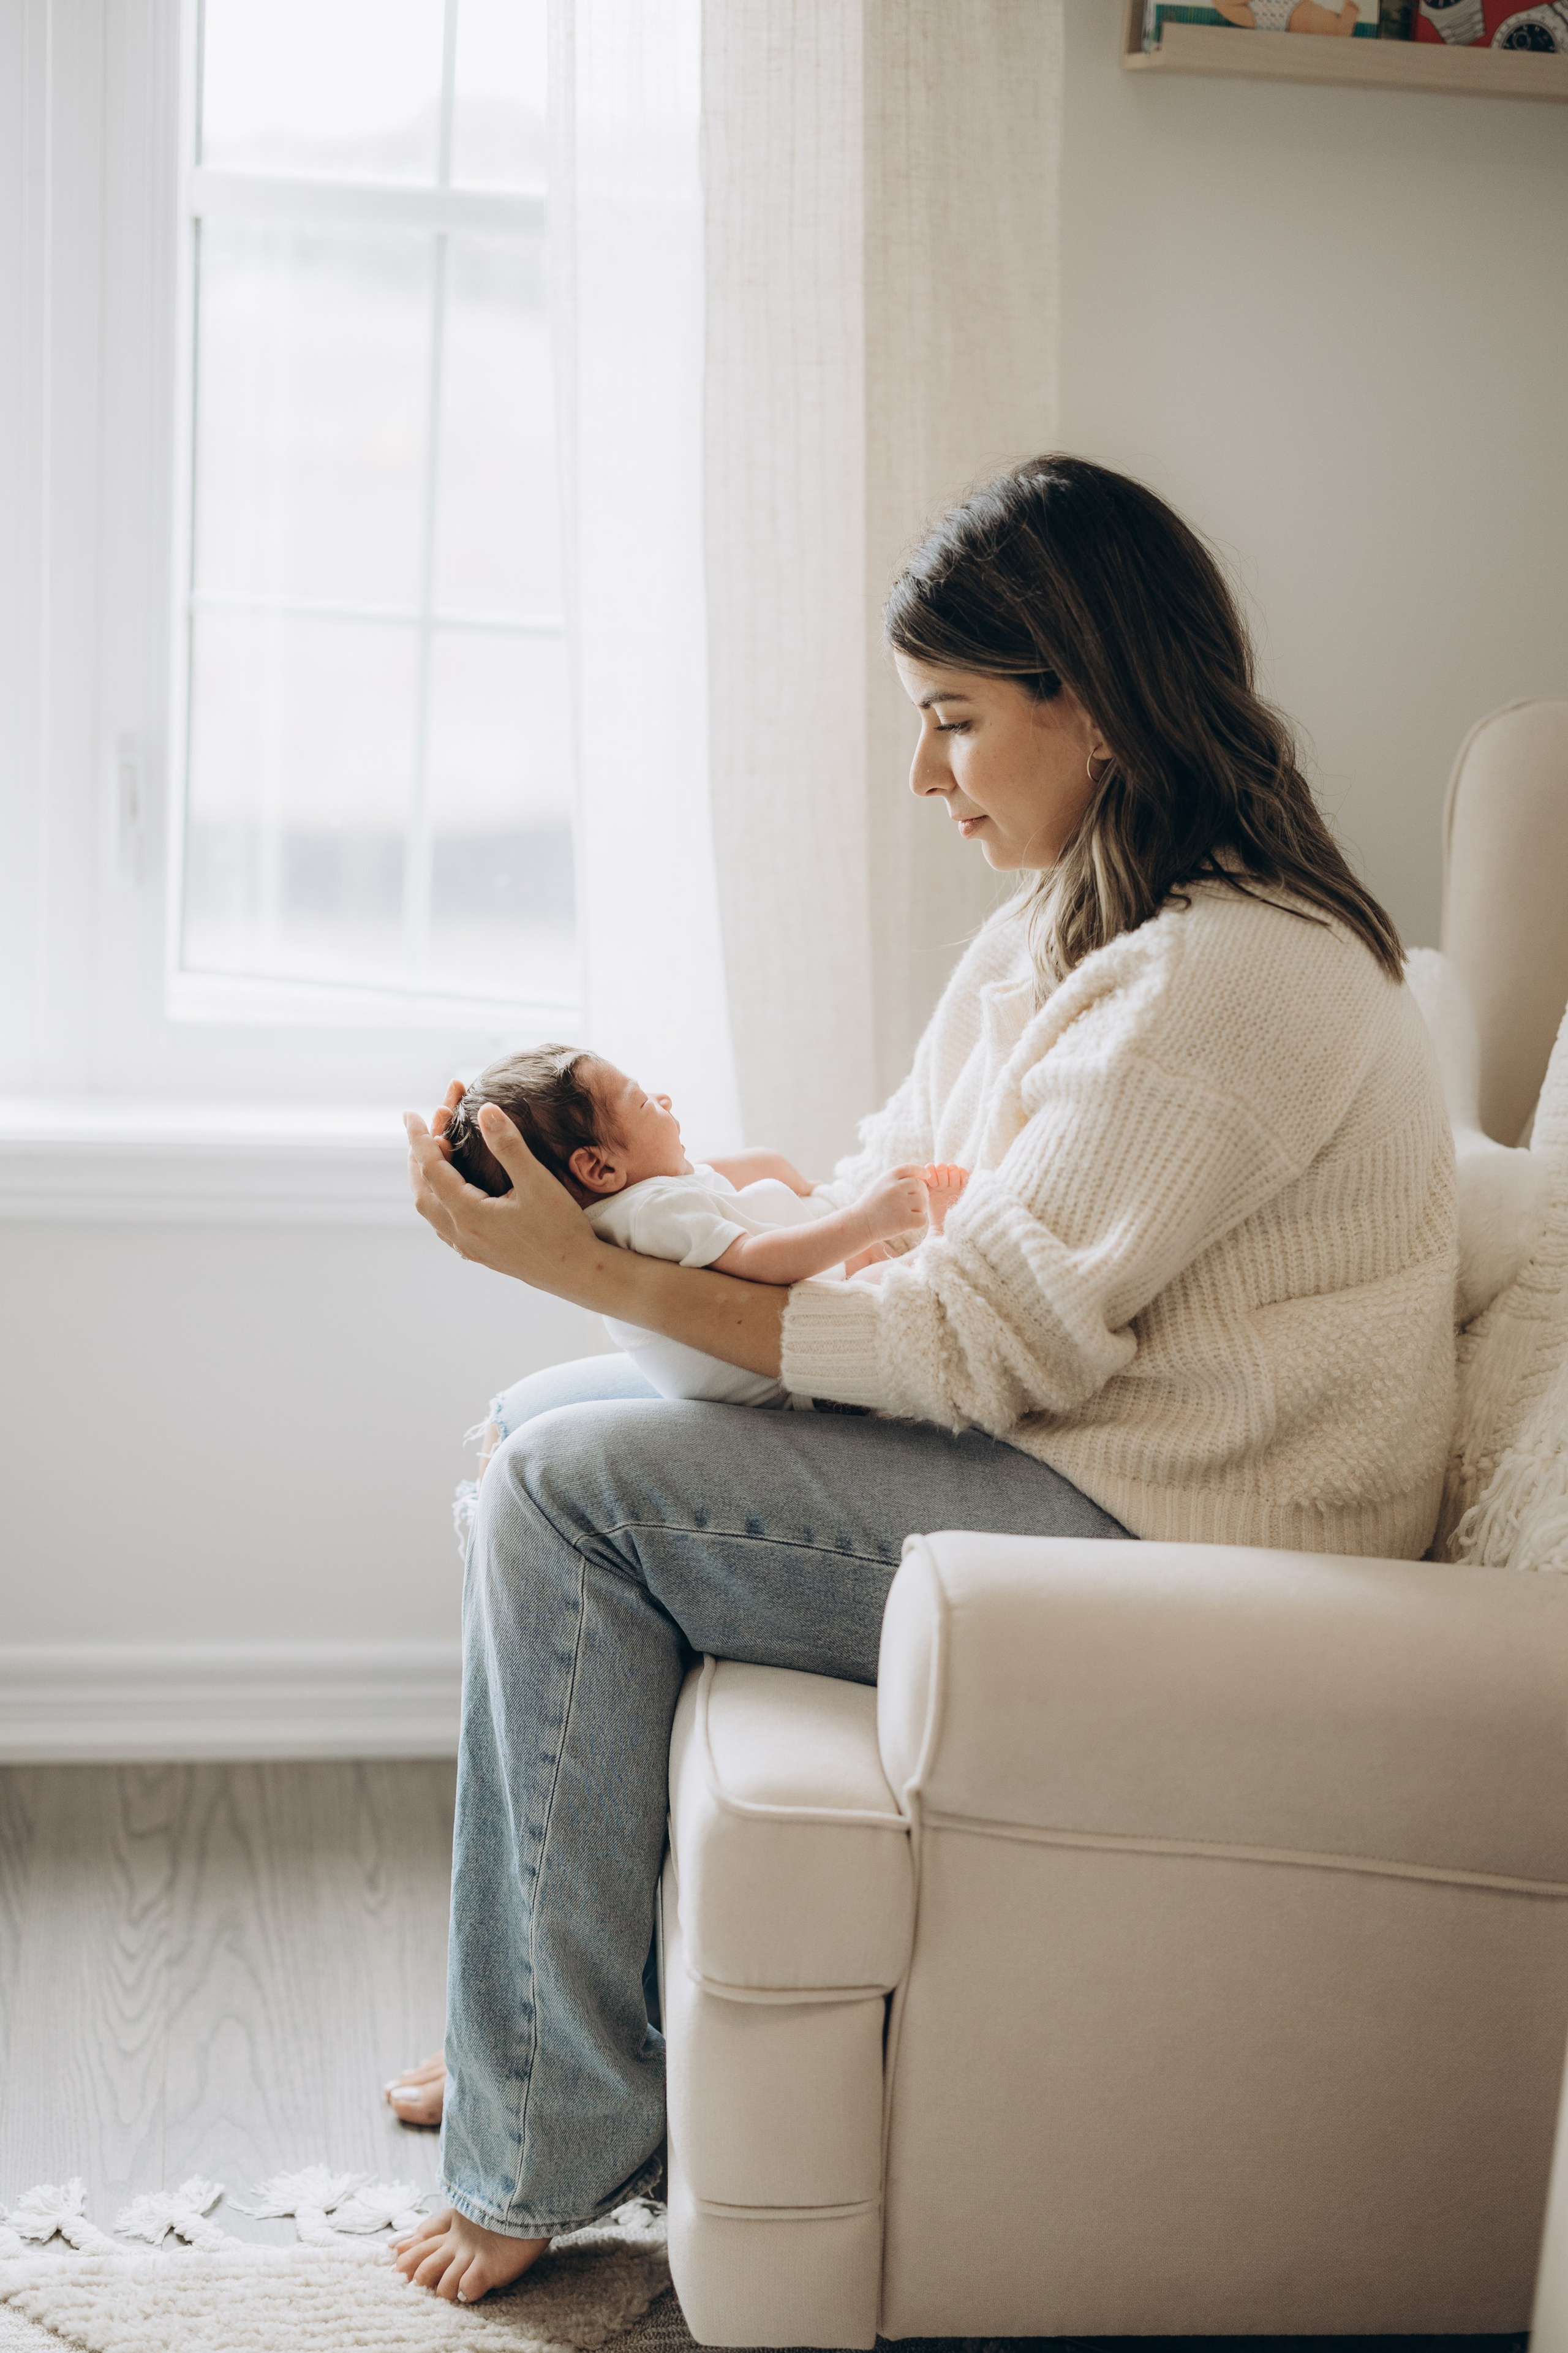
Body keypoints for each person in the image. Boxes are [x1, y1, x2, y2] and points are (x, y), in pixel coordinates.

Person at [389, 455, 1456, 2302]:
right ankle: (544, 2029)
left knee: (569, 1491)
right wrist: (626, 1223)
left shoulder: (1224, 983)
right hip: (1080, 1451)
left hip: (1184, 1535)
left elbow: (965, 1337)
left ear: (1093, 700)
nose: (923, 775)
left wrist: (581, 1264)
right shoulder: (1063, 928)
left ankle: (543, 2124)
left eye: (952, 720)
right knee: (531, 1428)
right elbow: (894, 1190)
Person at [442, 1043, 970, 1408]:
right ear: (598, 1168)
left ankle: (923, 1250)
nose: (664, 1100)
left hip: (789, 1351)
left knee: (863, 1264)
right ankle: (940, 1246)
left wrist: (795, 1184)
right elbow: (760, 1263)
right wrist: (865, 1220)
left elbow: (728, 1177)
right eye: (642, 1101)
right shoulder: (649, 1214)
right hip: (808, 1385)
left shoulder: (636, 1207)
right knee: (876, 1284)